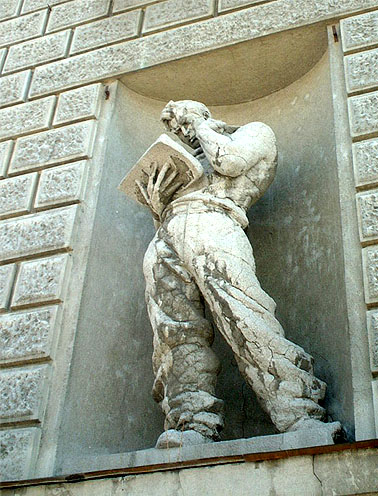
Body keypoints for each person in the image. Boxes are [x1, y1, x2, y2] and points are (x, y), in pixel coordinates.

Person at [142, 100, 339, 448]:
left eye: (183, 120)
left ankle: (300, 413)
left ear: (204, 113)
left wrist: (201, 126)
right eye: (176, 127)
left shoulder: (255, 132)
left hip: (215, 222)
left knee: (245, 318)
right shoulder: (193, 155)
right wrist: (158, 205)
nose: (181, 130)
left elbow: (229, 163)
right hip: (166, 235)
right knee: (174, 334)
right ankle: (192, 423)